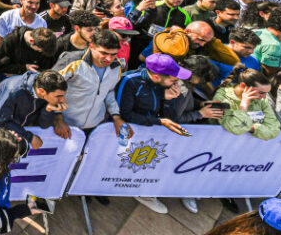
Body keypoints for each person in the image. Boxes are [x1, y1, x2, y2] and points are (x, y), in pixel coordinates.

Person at [116, 53, 190, 215]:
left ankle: (145, 193)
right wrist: (159, 122)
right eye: (173, 79)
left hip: (151, 134)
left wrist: (169, 100)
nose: (176, 83)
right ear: (157, 76)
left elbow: (171, 117)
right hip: (126, 136)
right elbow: (124, 115)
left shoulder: (165, 85)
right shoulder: (130, 81)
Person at [53, 29, 131, 136]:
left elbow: (109, 92)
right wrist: (58, 117)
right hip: (65, 125)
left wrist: (116, 117)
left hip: (95, 127)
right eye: (104, 53)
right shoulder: (72, 61)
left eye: (113, 54)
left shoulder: (116, 67)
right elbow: (50, 89)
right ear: (91, 46)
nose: (109, 59)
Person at [213, 65, 280, 140]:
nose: (264, 97)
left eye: (266, 93)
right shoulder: (222, 97)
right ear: (243, 86)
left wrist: (251, 127)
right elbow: (235, 128)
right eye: (261, 92)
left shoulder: (261, 99)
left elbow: (274, 130)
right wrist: (244, 106)